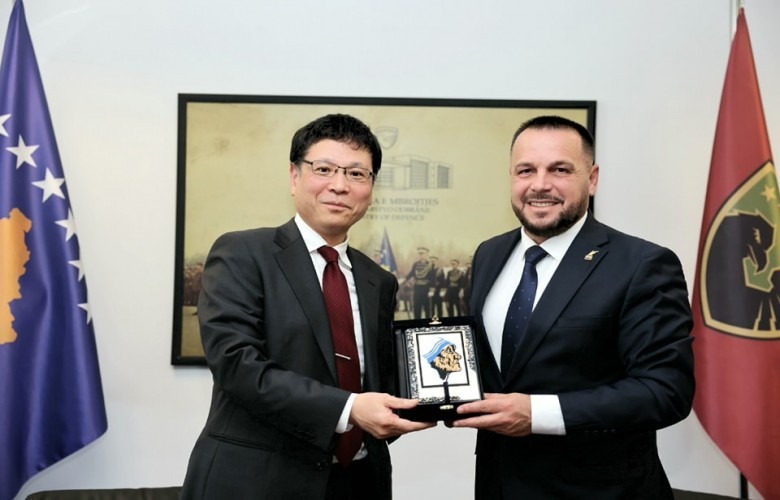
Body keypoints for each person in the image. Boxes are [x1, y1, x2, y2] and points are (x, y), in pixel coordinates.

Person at [181, 114, 433, 500]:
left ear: (371, 188)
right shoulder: (243, 253)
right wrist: (350, 409)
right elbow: (237, 366)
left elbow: (377, 383)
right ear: (294, 177)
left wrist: (434, 398)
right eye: (324, 169)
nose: (339, 185)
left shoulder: (378, 281)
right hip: (258, 483)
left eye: (356, 174)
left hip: (359, 481)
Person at [453, 115, 694, 499]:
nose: (540, 184)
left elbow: (665, 391)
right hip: (498, 483)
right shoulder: (490, 254)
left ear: (592, 179)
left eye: (560, 169)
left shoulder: (641, 264)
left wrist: (537, 414)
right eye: (526, 170)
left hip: (599, 490)